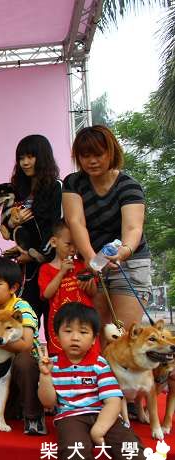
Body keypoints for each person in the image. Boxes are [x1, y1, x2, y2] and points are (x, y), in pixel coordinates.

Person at [37, 303, 154, 460]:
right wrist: (45, 376)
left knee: (129, 446)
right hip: (70, 416)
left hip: (104, 414)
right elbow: (48, 402)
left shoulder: (99, 364)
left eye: (83, 332)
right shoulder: (52, 365)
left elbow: (113, 401)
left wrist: (99, 429)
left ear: (94, 339)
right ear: (57, 336)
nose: (75, 337)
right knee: (73, 449)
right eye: (68, 331)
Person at [63, 125, 152, 331]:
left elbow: (133, 228)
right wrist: (91, 259)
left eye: (98, 154)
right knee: (97, 334)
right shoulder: (73, 182)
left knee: (124, 336)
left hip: (129, 264)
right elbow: (75, 221)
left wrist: (123, 252)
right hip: (92, 263)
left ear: (111, 152)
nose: (92, 161)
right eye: (85, 156)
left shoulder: (129, 185)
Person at [0, 257, 45, 435]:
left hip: (23, 369)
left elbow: (26, 345)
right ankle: (14, 404)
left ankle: (33, 415)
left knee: (24, 361)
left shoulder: (22, 307)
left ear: (13, 288)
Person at [2, 135, 62, 339]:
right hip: (26, 272)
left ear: (42, 157)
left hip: (53, 268)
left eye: (30, 157)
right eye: (21, 158)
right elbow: (6, 229)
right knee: (24, 329)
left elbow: (59, 230)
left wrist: (37, 255)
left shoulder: (56, 187)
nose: (25, 163)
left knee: (56, 330)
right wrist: (13, 223)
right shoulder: (17, 190)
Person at [38, 221, 97, 354]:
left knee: (87, 355)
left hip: (84, 320)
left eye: (76, 244)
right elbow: (46, 294)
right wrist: (61, 272)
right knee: (60, 357)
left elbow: (93, 293)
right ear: (54, 242)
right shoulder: (46, 269)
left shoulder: (82, 265)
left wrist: (89, 283)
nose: (72, 249)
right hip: (61, 322)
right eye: (68, 244)